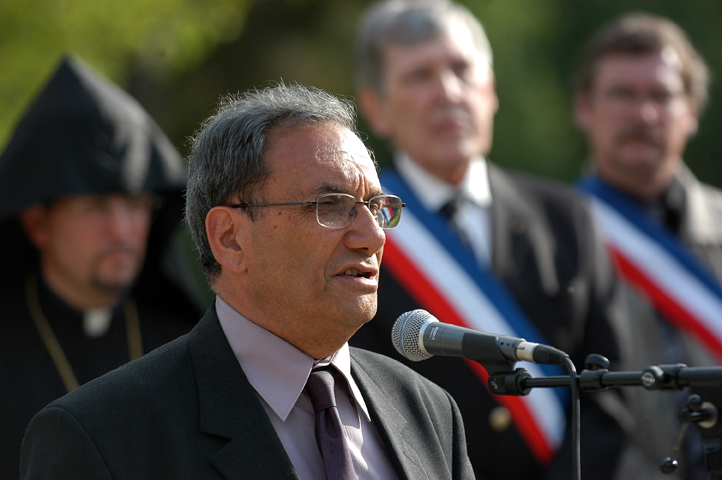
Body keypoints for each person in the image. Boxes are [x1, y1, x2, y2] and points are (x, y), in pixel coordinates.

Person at [19, 83, 476, 479]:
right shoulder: (104, 436)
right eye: (332, 205)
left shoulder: (430, 412)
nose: (372, 235)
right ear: (230, 238)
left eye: (378, 207)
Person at [349, 1, 629, 479]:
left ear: (491, 89)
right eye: (420, 76)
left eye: (462, 69)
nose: (448, 92)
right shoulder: (356, 233)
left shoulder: (566, 218)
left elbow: (615, 399)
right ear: (376, 107)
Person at [0, 56, 203, 479]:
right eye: (95, 208)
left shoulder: (189, 349)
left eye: (135, 205)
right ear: (38, 224)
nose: (122, 230)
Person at [574, 13, 722, 480]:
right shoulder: (546, 239)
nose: (643, 114)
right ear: (584, 107)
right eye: (623, 94)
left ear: (692, 111)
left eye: (661, 95)